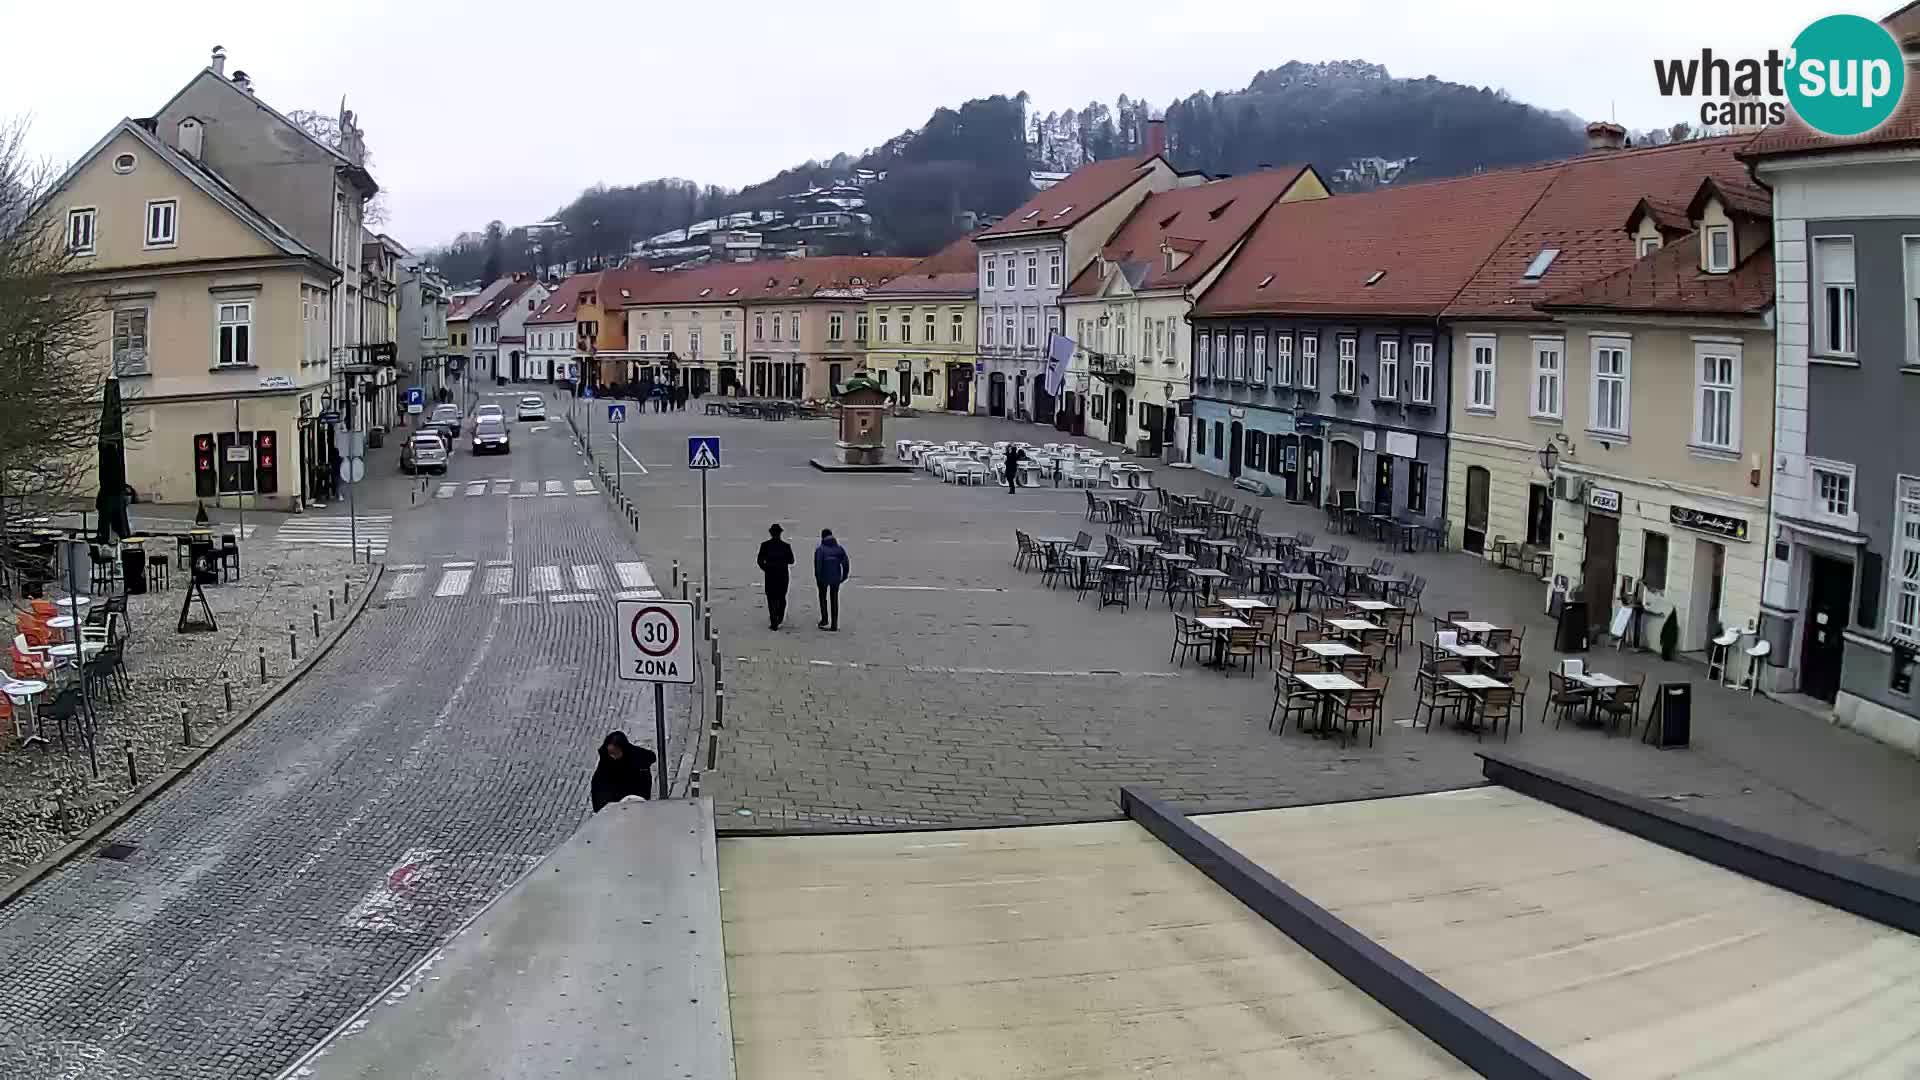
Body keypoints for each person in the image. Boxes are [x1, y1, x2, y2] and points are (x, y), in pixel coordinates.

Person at [590, 730, 657, 811]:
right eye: (611, 753)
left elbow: (650, 757)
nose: (613, 756)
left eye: (616, 753)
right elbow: (599, 790)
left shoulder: (634, 756)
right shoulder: (605, 765)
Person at [756, 523, 795, 629]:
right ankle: (779, 617)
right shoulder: (786, 546)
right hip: (783, 575)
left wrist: (766, 568)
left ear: (771, 533)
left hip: (770, 575)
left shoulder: (765, 545)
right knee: (781, 597)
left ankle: (774, 620)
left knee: (771, 597)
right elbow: (791, 561)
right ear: (780, 533)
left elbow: (759, 560)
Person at [814, 528, 851, 631]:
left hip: (823, 578)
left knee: (823, 598)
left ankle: (825, 619)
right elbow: (846, 564)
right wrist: (844, 576)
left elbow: (818, 565)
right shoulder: (839, 549)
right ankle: (834, 624)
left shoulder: (820, 550)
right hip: (836, 578)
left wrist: (818, 577)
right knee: (834, 600)